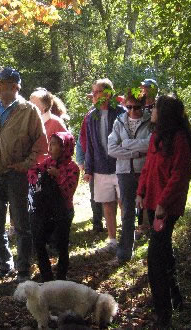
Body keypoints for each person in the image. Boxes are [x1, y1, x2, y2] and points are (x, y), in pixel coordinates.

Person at [0, 67, 46, 282]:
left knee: (22, 225)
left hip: (16, 176)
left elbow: (41, 145)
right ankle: (5, 263)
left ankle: (24, 269)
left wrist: (26, 165)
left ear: (15, 87)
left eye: (1, 83)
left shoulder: (29, 111)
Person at [135, 95, 191, 328]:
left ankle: (163, 314)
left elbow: (179, 176)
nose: (151, 110)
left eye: (156, 108)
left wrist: (163, 203)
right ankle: (176, 299)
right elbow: (148, 168)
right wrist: (140, 192)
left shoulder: (179, 140)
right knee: (164, 253)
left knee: (155, 259)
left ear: (166, 113)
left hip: (167, 207)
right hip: (153, 203)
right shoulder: (156, 137)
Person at [107, 90, 152, 266]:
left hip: (145, 171)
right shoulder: (119, 121)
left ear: (143, 105)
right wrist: (137, 152)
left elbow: (152, 144)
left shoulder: (150, 121)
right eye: (129, 107)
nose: (133, 111)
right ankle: (124, 253)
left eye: (137, 107)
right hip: (125, 173)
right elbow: (111, 149)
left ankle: (153, 252)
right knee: (127, 212)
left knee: (150, 210)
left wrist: (125, 145)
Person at [27, 132, 79, 281]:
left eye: (55, 144)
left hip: (63, 212)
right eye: (50, 143)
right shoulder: (47, 162)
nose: (51, 147)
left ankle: (62, 276)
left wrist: (58, 175)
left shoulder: (72, 167)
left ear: (65, 147)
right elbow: (32, 171)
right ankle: (47, 277)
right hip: (46, 211)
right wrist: (36, 177)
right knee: (39, 242)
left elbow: (68, 191)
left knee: (62, 245)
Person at [83, 79, 125, 254]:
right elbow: (90, 145)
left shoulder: (122, 112)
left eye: (97, 92)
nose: (93, 96)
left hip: (121, 166)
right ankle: (112, 239)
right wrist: (88, 168)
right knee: (107, 204)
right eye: (93, 92)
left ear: (108, 94)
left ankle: (127, 237)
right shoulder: (91, 116)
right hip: (100, 167)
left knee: (124, 202)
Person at [74, 87, 104, 234]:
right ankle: (97, 222)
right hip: (91, 160)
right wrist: (81, 160)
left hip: (109, 160)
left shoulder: (115, 112)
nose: (93, 98)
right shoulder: (89, 116)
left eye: (95, 96)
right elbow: (82, 139)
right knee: (94, 193)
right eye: (93, 96)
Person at [29, 88, 67, 164]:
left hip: (48, 168)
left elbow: (67, 146)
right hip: (29, 167)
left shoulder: (56, 123)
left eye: (34, 104)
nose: (30, 107)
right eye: (29, 103)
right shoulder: (28, 121)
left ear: (44, 107)